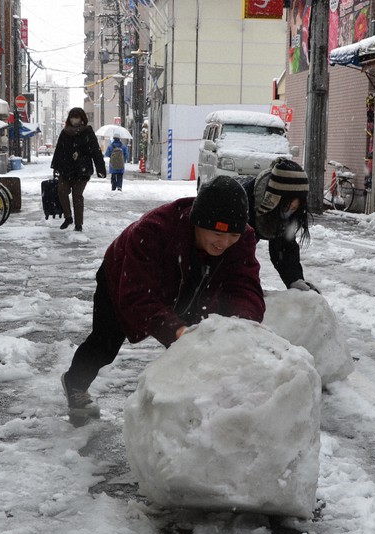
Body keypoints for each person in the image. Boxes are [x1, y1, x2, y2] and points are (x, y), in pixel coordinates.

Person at [61, 175, 266, 418]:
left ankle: (196, 409)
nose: (225, 243)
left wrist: (241, 324)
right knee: (105, 344)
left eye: (233, 236)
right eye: (217, 234)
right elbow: (137, 297)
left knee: (202, 346)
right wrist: (177, 331)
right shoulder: (155, 230)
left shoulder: (241, 238)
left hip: (191, 281)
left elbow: (244, 285)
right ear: (197, 221)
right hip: (123, 276)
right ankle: (75, 383)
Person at [241, 158, 319, 292]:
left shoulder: (283, 210)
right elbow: (237, 256)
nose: (294, 206)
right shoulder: (244, 205)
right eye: (289, 202)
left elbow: (284, 249)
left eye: (298, 203)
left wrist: (295, 280)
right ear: (274, 198)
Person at [50, 108, 107, 232]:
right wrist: (56, 167)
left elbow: (95, 151)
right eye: (72, 117)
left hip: (82, 169)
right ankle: (68, 217)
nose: (74, 120)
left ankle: (78, 224)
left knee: (77, 195)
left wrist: (100, 168)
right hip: (66, 169)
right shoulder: (65, 132)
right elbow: (59, 151)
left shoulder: (88, 132)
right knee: (62, 191)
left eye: (76, 117)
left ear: (82, 119)